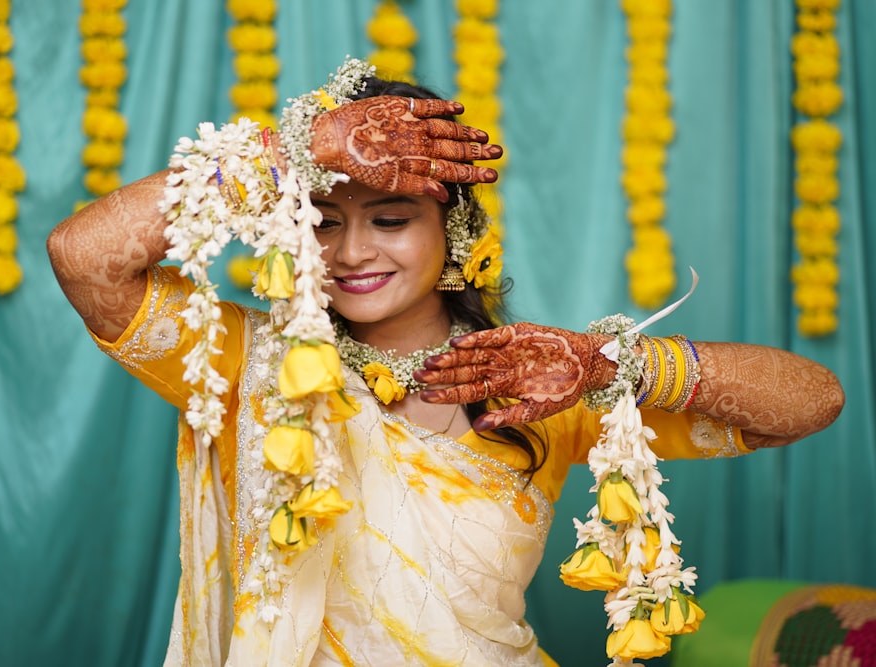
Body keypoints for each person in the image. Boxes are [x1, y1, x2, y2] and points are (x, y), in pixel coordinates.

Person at [47, 59, 844, 666]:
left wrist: (611, 366)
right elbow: (82, 256)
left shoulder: (537, 378)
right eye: (321, 223)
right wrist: (300, 147)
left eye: (391, 218)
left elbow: (814, 401)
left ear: (453, 230)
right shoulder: (244, 358)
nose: (353, 251)